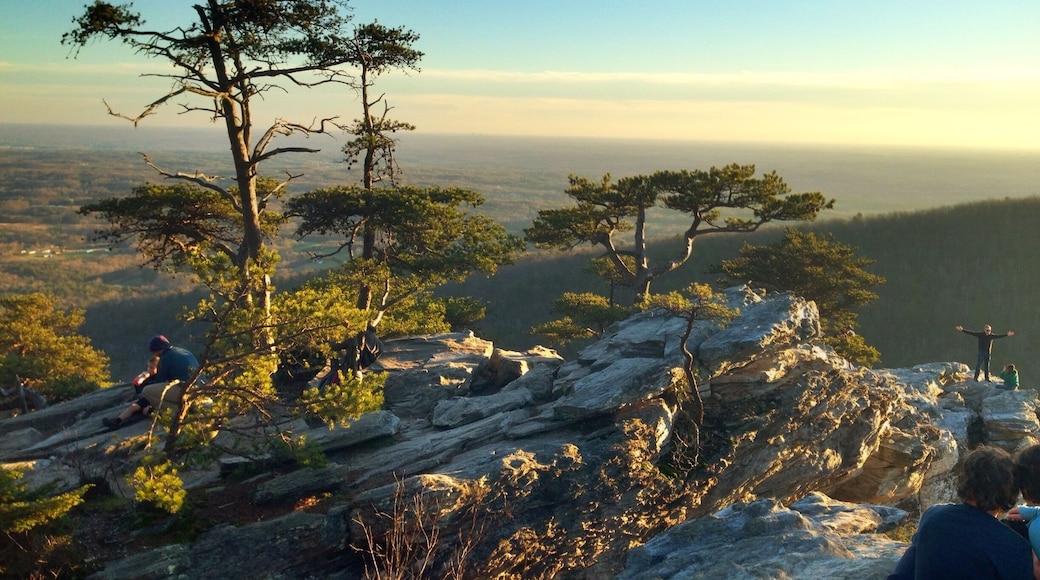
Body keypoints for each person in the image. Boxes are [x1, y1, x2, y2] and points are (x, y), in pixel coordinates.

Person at [887, 445, 1034, 580]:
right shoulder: (1014, 546)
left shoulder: (933, 516)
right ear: (1011, 492)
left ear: (964, 480)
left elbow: (903, 572)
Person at [102, 335, 200, 430]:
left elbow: (160, 381)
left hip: (186, 389)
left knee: (147, 391)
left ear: (157, 350)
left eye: (154, 352)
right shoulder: (183, 351)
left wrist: (142, 384)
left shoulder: (166, 357)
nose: (154, 354)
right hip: (201, 388)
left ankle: (177, 412)